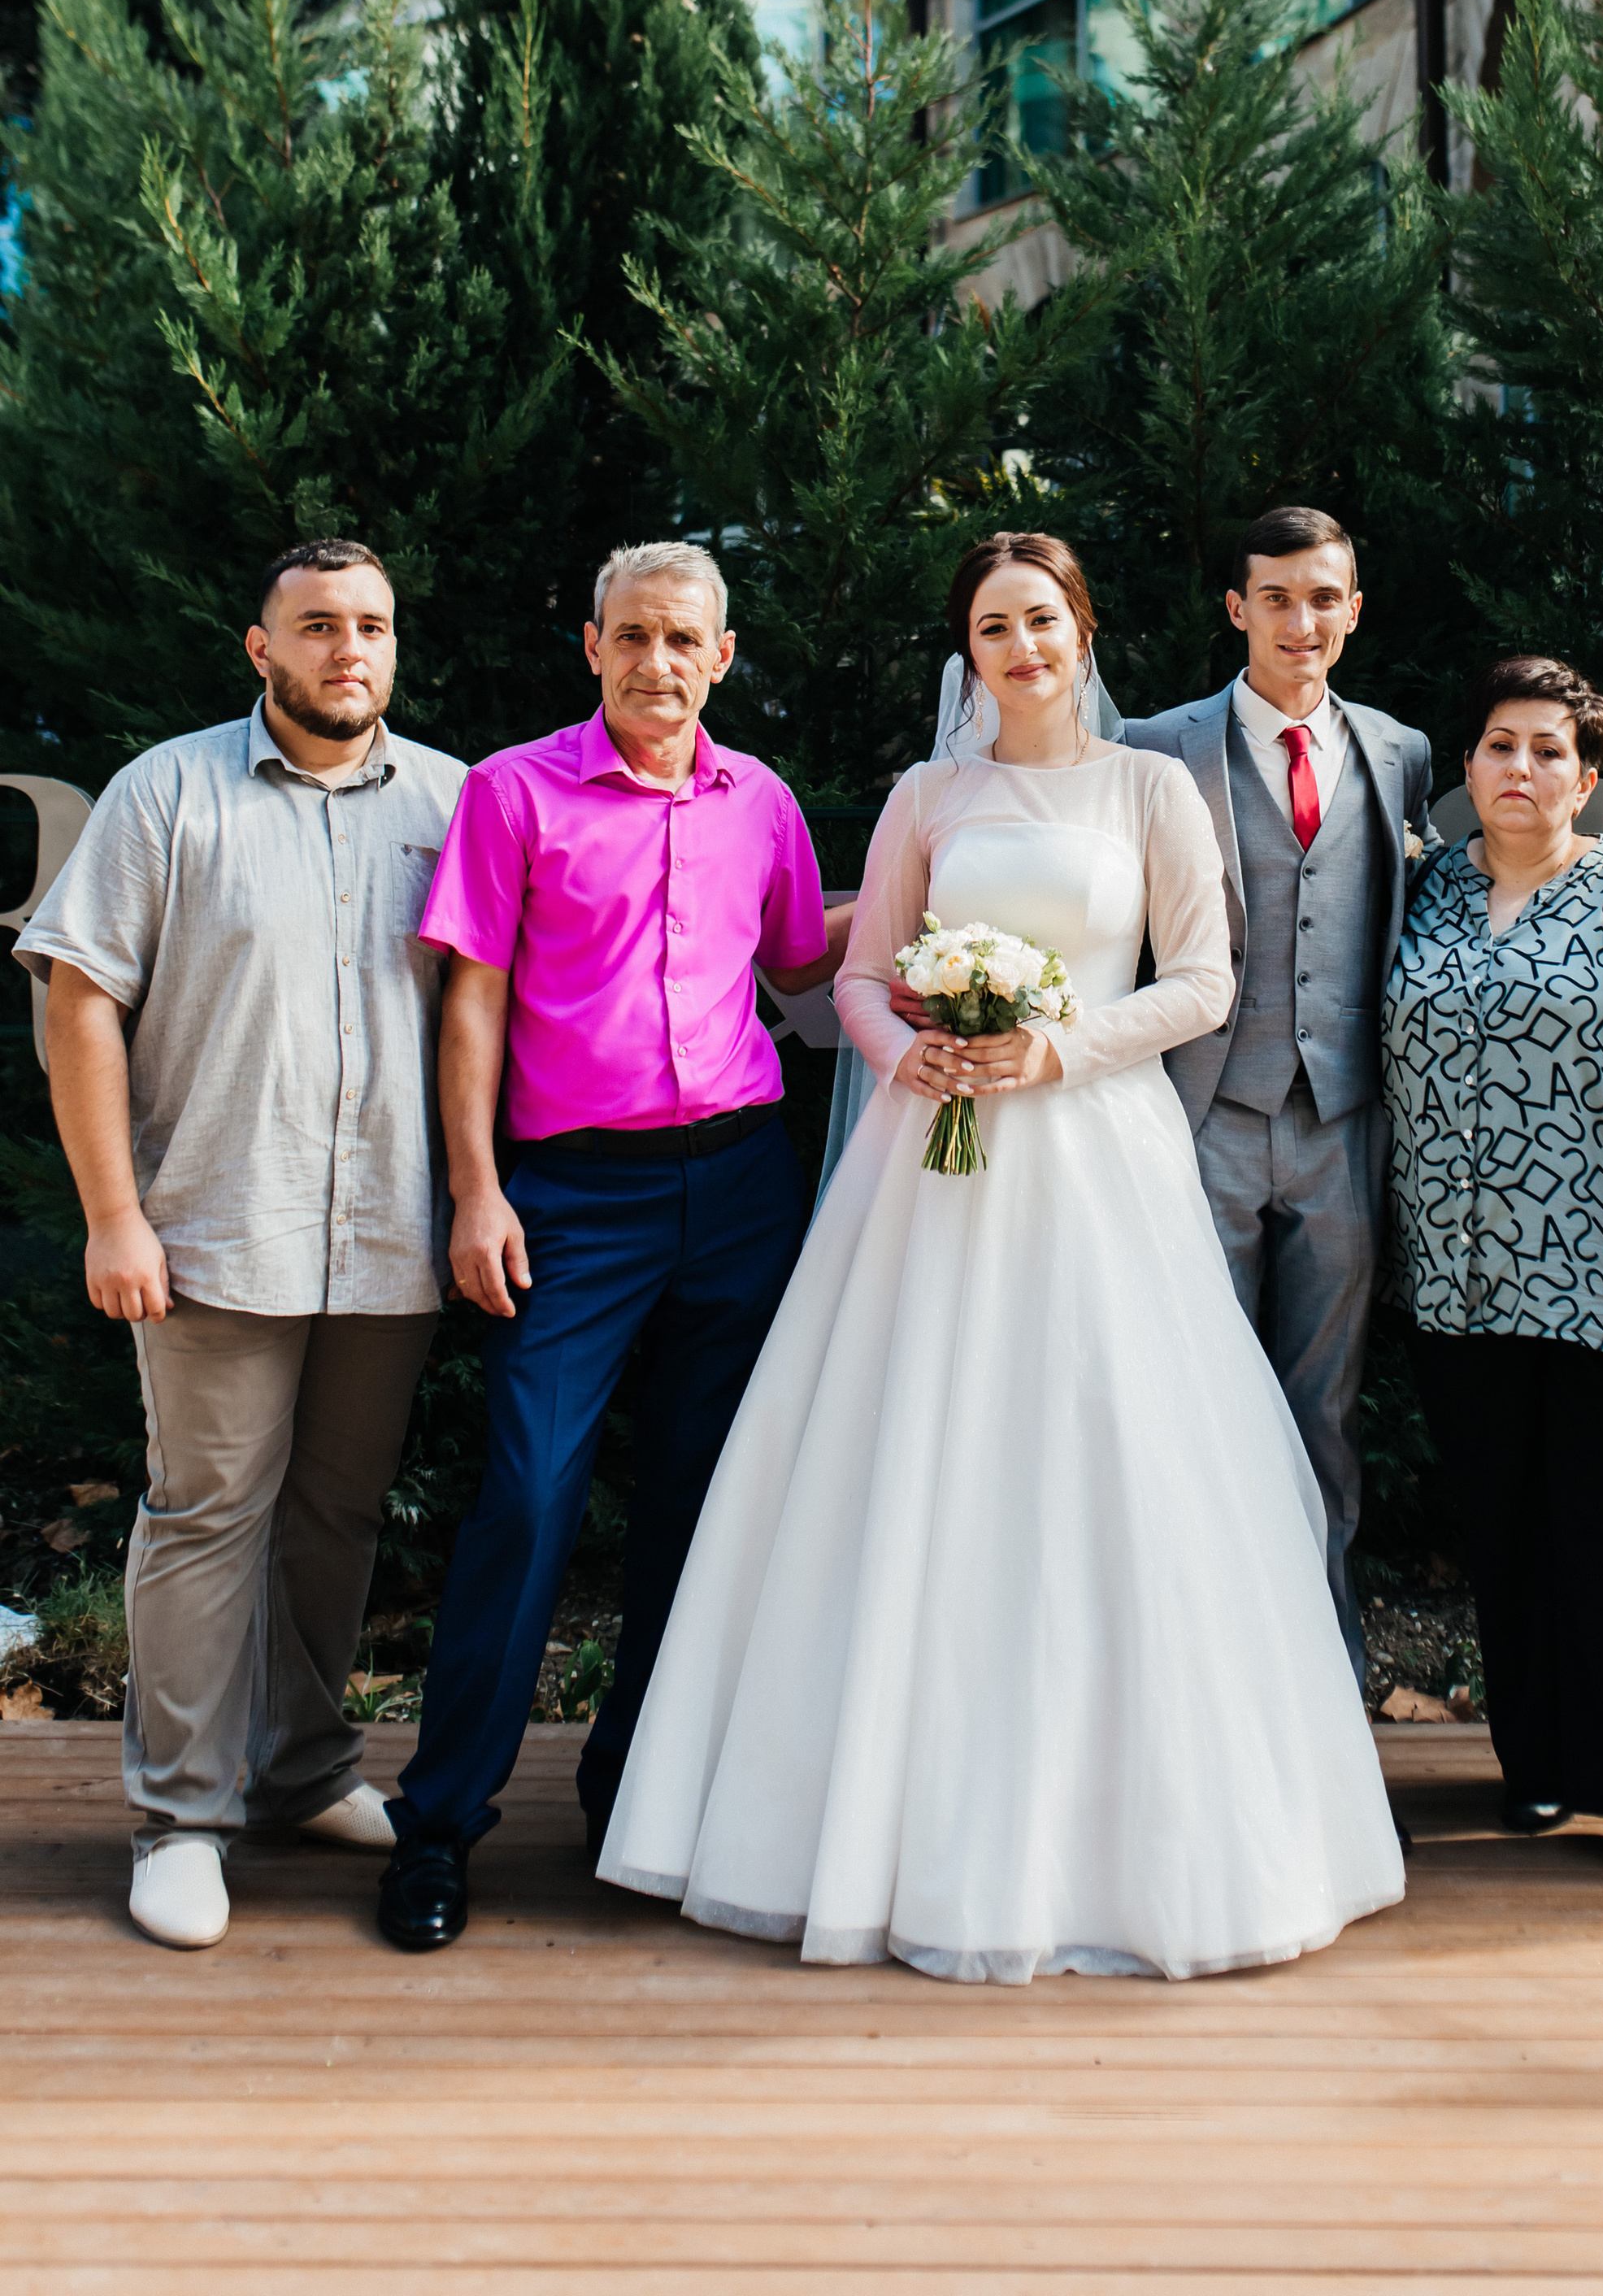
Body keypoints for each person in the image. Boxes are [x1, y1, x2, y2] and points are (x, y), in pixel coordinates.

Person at [598, 530, 1403, 1981]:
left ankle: (1134, 1841)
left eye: (1040, 619)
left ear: (1081, 629)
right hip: (933, 1162)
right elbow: (852, 971)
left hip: (1098, 1155)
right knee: (909, 1454)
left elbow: (1204, 981)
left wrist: (1057, 1046)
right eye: (991, 628)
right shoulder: (929, 795)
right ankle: (861, 1826)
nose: (1020, 647)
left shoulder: (1155, 789)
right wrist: (907, 1049)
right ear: (965, 653)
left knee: (1111, 1464)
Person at [375, 541, 845, 1953]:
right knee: (526, 1498)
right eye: (631, 636)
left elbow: (804, 963)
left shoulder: (761, 801)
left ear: (724, 653)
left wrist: (968, 926)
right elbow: (472, 1006)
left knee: (701, 1513)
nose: (657, 662)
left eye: (682, 640)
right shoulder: (512, 792)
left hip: (740, 1189)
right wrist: (475, 1192)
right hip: (571, 1199)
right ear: (592, 647)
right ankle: (440, 1828)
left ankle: (634, 1795)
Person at [16, 539, 463, 1952]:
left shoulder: (456, 803)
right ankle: (180, 1819)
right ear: (258, 647)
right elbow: (78, 1000)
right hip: (215, 1229)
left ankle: (302, 1772)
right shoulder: (168, 791)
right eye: (318, 625)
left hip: (391, 1235)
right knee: (206, 1518)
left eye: (374, 627)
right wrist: (112, 1215)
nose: (350, 650)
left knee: (336, 1518)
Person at [1384, 655, 1603, 1899]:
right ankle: (1534, 1761)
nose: (1520, 769)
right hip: (1457, 1279)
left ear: (1586, 778)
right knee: (1508, 1530)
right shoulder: (1422, 897)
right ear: (1466, 768)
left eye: (1548, 750)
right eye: (1498, 746)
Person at [1122, 507, 1437, 1679]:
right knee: (1185, 1403)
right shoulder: (1156, 745)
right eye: (1278, 599)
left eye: (1325, 599)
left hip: (1342, 1130)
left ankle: (1318, 1664)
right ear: (1236, 609)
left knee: (1325, 1412)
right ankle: (1188, 1666)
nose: (1302, 622)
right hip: (1194, 1119)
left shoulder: (1399, 750)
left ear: (1353, 609)